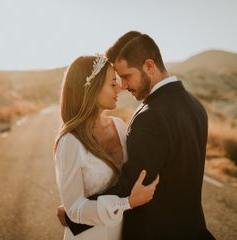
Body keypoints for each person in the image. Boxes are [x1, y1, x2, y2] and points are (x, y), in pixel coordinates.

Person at [59, 32, 216, 239]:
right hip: (191, 227)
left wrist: (72, 217)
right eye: (116, 80)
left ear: (149, 66)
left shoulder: (150, 116)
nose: (122, 86)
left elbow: (131, 184)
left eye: (125, 76)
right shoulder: (195, 106)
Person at [54, 54, 159, 240]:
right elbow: (74, 210)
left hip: (123, 232)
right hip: (89, 236)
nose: (120, 88)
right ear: (92, 90)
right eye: (112, 83)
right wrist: (127, 203)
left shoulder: (119, 126)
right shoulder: (70, 142)